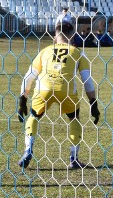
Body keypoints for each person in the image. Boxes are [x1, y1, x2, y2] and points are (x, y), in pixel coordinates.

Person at [17, 17, 100, 170]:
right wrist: (93, 104)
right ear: (72, 36)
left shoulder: (45, 51)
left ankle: (28, 149)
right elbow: (87, 81)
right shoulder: (77, 52)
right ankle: (74, 159)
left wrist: (22, 100)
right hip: (66, 89)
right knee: (74, 119)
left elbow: (28, 77)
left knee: (34, 116)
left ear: (55, 37)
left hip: (44, 88)